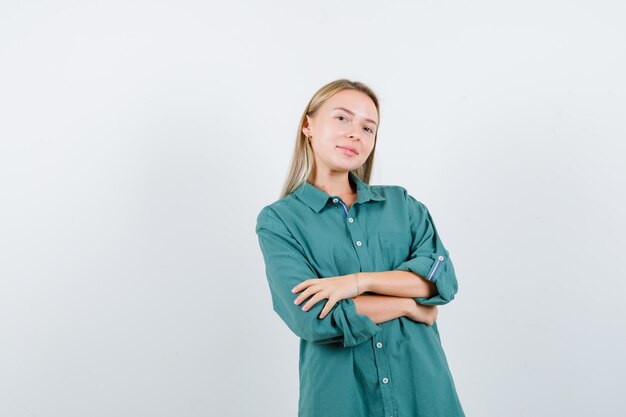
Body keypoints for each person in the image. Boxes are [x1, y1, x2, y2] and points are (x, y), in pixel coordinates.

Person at [255, 79, 466, 417]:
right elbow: (315, 319)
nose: (356, 133)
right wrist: (411, 305)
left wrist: (357, 283)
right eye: (342, 118)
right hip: (340, 402)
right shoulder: (280, 221)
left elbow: (442, 281)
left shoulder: (404, 206)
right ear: (308, 125)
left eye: (369, 128)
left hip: (426, 396)